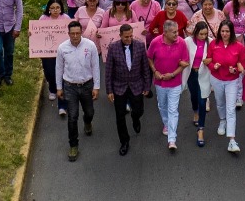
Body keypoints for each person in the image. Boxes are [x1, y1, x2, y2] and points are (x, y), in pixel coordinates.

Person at [103, 23, 153, 156]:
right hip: (119, 86)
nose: (129, 39)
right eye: (126, 37)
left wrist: (147, 86)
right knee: (119, 116)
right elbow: (108, 71)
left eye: (131, 36)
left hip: (136, 84)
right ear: (120, 36)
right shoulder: (113, 48)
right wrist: (109, 90)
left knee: (139, 110)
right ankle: (124, 141)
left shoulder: (140, 46)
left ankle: (135, 119)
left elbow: (145, 68)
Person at [56, 20, 101, 162]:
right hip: (70, 86)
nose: (75, 36)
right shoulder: (62, 48)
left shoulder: (90, 45)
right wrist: (59, 87)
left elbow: (95, 66)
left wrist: (96, 87)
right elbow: (59, 68)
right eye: (72, 34)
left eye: (77, 33)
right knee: (72, 117)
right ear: (68, 34)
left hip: (87, 85)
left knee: (89, 112)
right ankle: (73, 145)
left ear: (81, 32)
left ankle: (87, 122)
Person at [148, 19, 191, 152]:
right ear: (165, 32)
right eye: (173, 32)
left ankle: (172, 139)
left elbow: (185, 62)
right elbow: (149, 57)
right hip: (160, 82)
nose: (176, 34)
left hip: (174, 83)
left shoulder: (181, 43)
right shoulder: (155, 42)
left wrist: (172, 74)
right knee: (162, 105)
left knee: (173, 110)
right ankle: (166, 123)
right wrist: (155, 71)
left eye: (177, 31)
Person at [208, 19, 245, 153]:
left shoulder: (239, 46)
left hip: (232, 80)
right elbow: (208, 61)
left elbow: (243, 65)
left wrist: (235, 70)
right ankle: (222, 120)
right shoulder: (213, 44)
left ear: (231, 33)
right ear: (219, 31)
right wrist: (214, 66)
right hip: (217, 79)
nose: (224, 34)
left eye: (227, 31)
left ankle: (232, 140)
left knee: (231, 108)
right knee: (220, 103)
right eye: (222, 31)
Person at [37, 0, 69, 117]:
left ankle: (62, 106)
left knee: (62, 77)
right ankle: (52, 88)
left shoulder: (65, 18)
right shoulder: (43, 19)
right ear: (48, 9)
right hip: (47, 53)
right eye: (53, 8)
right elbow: (37, 33)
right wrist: (31, 34)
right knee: (50, 73)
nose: (55, 10)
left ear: (61, 8)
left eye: (58, 8)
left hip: (62, 53)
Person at [185, 21, 214, 146]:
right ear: (195, 32)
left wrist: (210, 60)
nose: (203, 36)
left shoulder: (211, 41)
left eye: (205, 34)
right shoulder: (187, 41)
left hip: (205, 74)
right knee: (194, 96)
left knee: (203, 100)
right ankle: (195, 111)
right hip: (191, 73)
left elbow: (215, 55)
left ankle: (201, 129)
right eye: (201, 34)